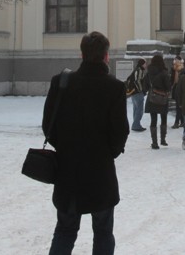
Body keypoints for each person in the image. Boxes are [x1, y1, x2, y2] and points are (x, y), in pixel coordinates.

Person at [42, 31, 129, 255]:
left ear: (82, 54)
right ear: (106, 56)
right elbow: (120, 132)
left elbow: (48, 127)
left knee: (65, 230)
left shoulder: (61, 83)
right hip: (101, 174)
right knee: (103, 232)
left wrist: (66, 148)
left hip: (68, 172)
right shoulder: (115, 87)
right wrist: (106, 152)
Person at [143, 54, 171, 149]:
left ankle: (154, 143)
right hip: (162, 98)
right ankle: (163, 140)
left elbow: (145, 86)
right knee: (164, 118)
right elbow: (168, 86)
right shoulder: (164, 73)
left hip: (152, 98)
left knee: (153, 120)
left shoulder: (149, 73)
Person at [126, 58, 147, 132]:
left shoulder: (136, 70)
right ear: (142, 64)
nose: (146, 65)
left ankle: (136, 124)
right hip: (137, 93)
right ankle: (136, 125)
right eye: (145, 64)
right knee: (139, 110)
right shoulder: (139, 70)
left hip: (133, 93)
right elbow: (137, 81)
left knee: (136, 109)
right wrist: (141, 90)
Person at [170, 56, 184, 129]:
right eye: (175, 60)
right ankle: (182, 121)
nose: (175, 61)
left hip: (181, 89)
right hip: (175, 88)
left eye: (177, 60)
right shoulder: (173, 69)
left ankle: (176, 122)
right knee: (178, 106)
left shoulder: (182, 69)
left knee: (178, 106)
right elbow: (172, 79)